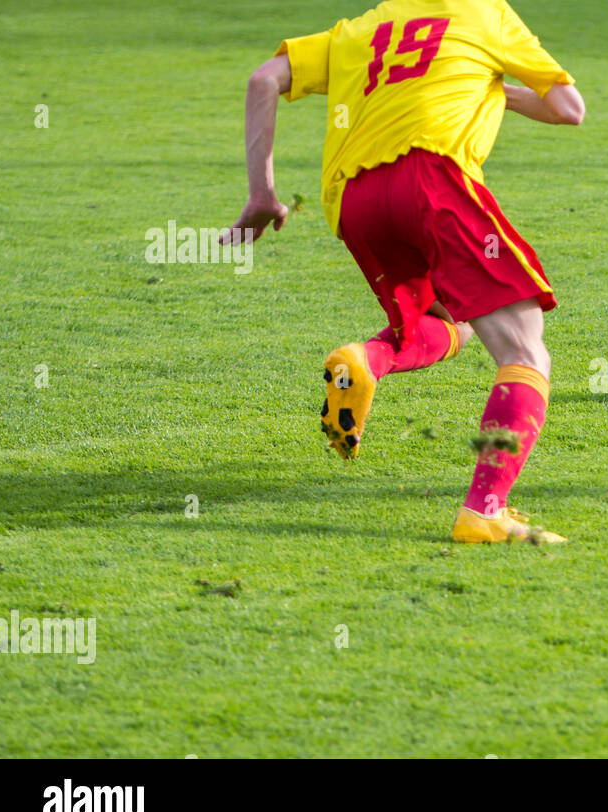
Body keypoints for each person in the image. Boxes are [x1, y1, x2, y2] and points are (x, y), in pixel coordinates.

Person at [221, 0, 585, 541]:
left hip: (356, 203)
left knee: (451, 321)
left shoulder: (357, 31)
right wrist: (498, 88)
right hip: (431, 181)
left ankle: (367, 359)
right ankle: (484, 511)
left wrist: (261, 196)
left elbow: (263, 79)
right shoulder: (488, 15)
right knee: (524, 350)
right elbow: (567, 107)